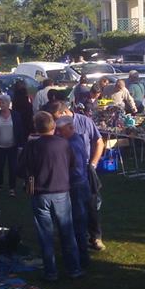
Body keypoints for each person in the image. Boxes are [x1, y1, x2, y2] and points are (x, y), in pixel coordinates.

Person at [18, 111, 82, 281]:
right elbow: (73, 164)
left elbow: (20, 169)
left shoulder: (32, 146)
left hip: (40, 194)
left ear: (36, 128)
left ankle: (51, 271)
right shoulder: (64, 144)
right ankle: (73, 268)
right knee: (67, 231)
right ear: (53, 126)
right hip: (61, 191)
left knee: (45, 234)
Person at [49, 101, 106, 251]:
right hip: (66, 172)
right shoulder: (57, 128)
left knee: (91, 205)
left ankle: (95, 237)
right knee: (71, 207)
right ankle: (74, 237)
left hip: (85, 168)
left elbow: (99, 142)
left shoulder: (85, 121)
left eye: (56, 118)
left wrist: (93, 164)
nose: (55, 123)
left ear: (63, 113)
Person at [56, 116, 92, 269]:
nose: (59, 132)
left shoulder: (72, 144)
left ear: (70, 127)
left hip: (76, 184)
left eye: (61, 130)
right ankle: (80, 254)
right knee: (79, 219)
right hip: (80, 182)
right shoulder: (76, 140)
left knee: (77, 221)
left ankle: (81, 256)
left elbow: (75, 169)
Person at [0, 94, 25, 195]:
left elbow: (20, 130)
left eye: (4, 102)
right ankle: (0, 184)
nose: (2, 104)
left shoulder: (16, 115)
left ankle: (12, 188)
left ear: (9, 104)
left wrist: (21, 145)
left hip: (12, 146)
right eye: (1, 102)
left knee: (12, 167)